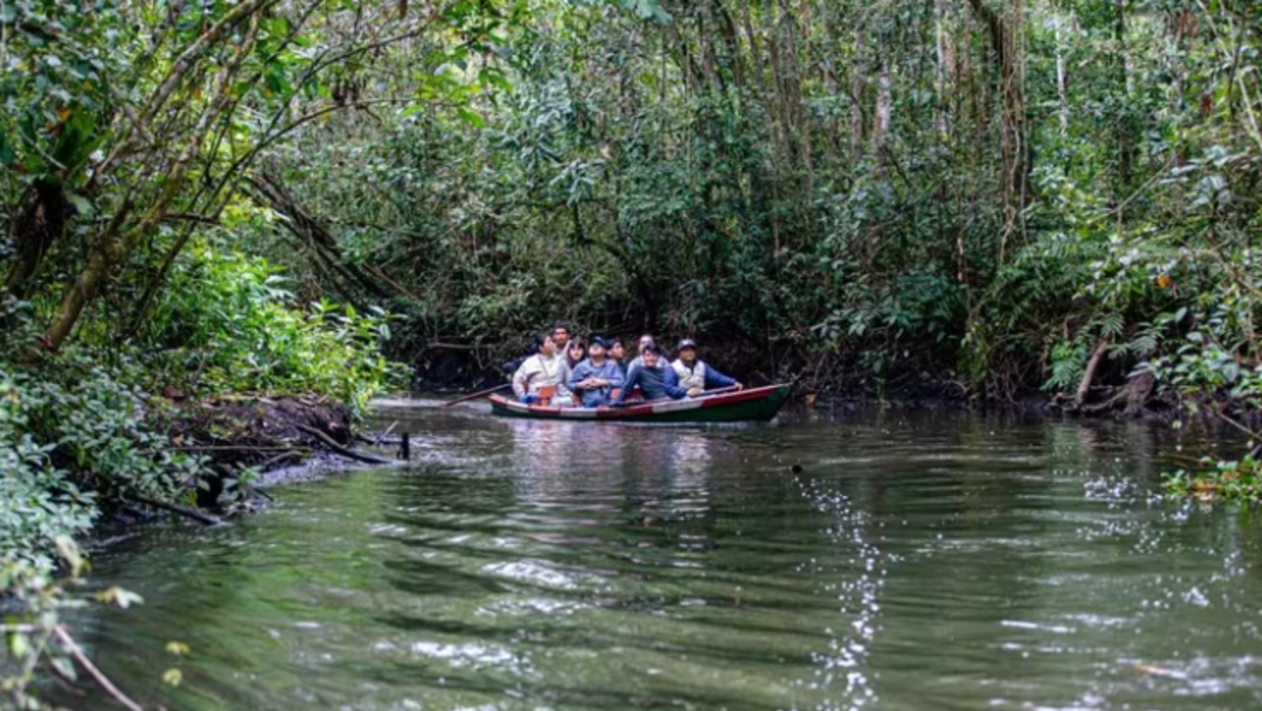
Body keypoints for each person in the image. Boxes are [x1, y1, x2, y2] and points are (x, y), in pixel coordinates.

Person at [612, 343, 687, 404]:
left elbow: (676, 386)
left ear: (658, 357)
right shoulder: (638, 370)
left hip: (673, 400)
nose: (651, 358)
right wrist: (617, 403)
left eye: (654, 355)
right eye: (648, 355)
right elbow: (627, 388)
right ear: (643, 357)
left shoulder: (666, 370)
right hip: (656, 403)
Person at [511, 332, 571, 404]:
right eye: (549, 342)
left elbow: (569, 381)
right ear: (541, 347)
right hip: (536, 397)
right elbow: (517, 380)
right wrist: (522, 395)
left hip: (558, 397)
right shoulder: (530, 362)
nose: (553, 344)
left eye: (552, 341)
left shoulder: (561, 360)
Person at [671, 338, 742, 397]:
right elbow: (669, 388)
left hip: (701, 395)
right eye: (686, 351)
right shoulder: (673, 367)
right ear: (680, 353)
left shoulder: (702, 365)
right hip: (682, 397)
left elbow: (716, 377)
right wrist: (685, 392)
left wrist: (733, 382)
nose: (689, 352)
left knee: (718, 396)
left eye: (692, 350)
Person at [568, 336, 625, 407]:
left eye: (599, 345)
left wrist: (603, 382)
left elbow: (621, 382)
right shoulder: (581, 366)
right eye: (592, 345)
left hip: (608, 403)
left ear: (605, 350)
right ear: (588, 350)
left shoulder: (612, 365)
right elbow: (570, 384)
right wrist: (581, 384)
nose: (595, 347)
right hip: (587, 404)